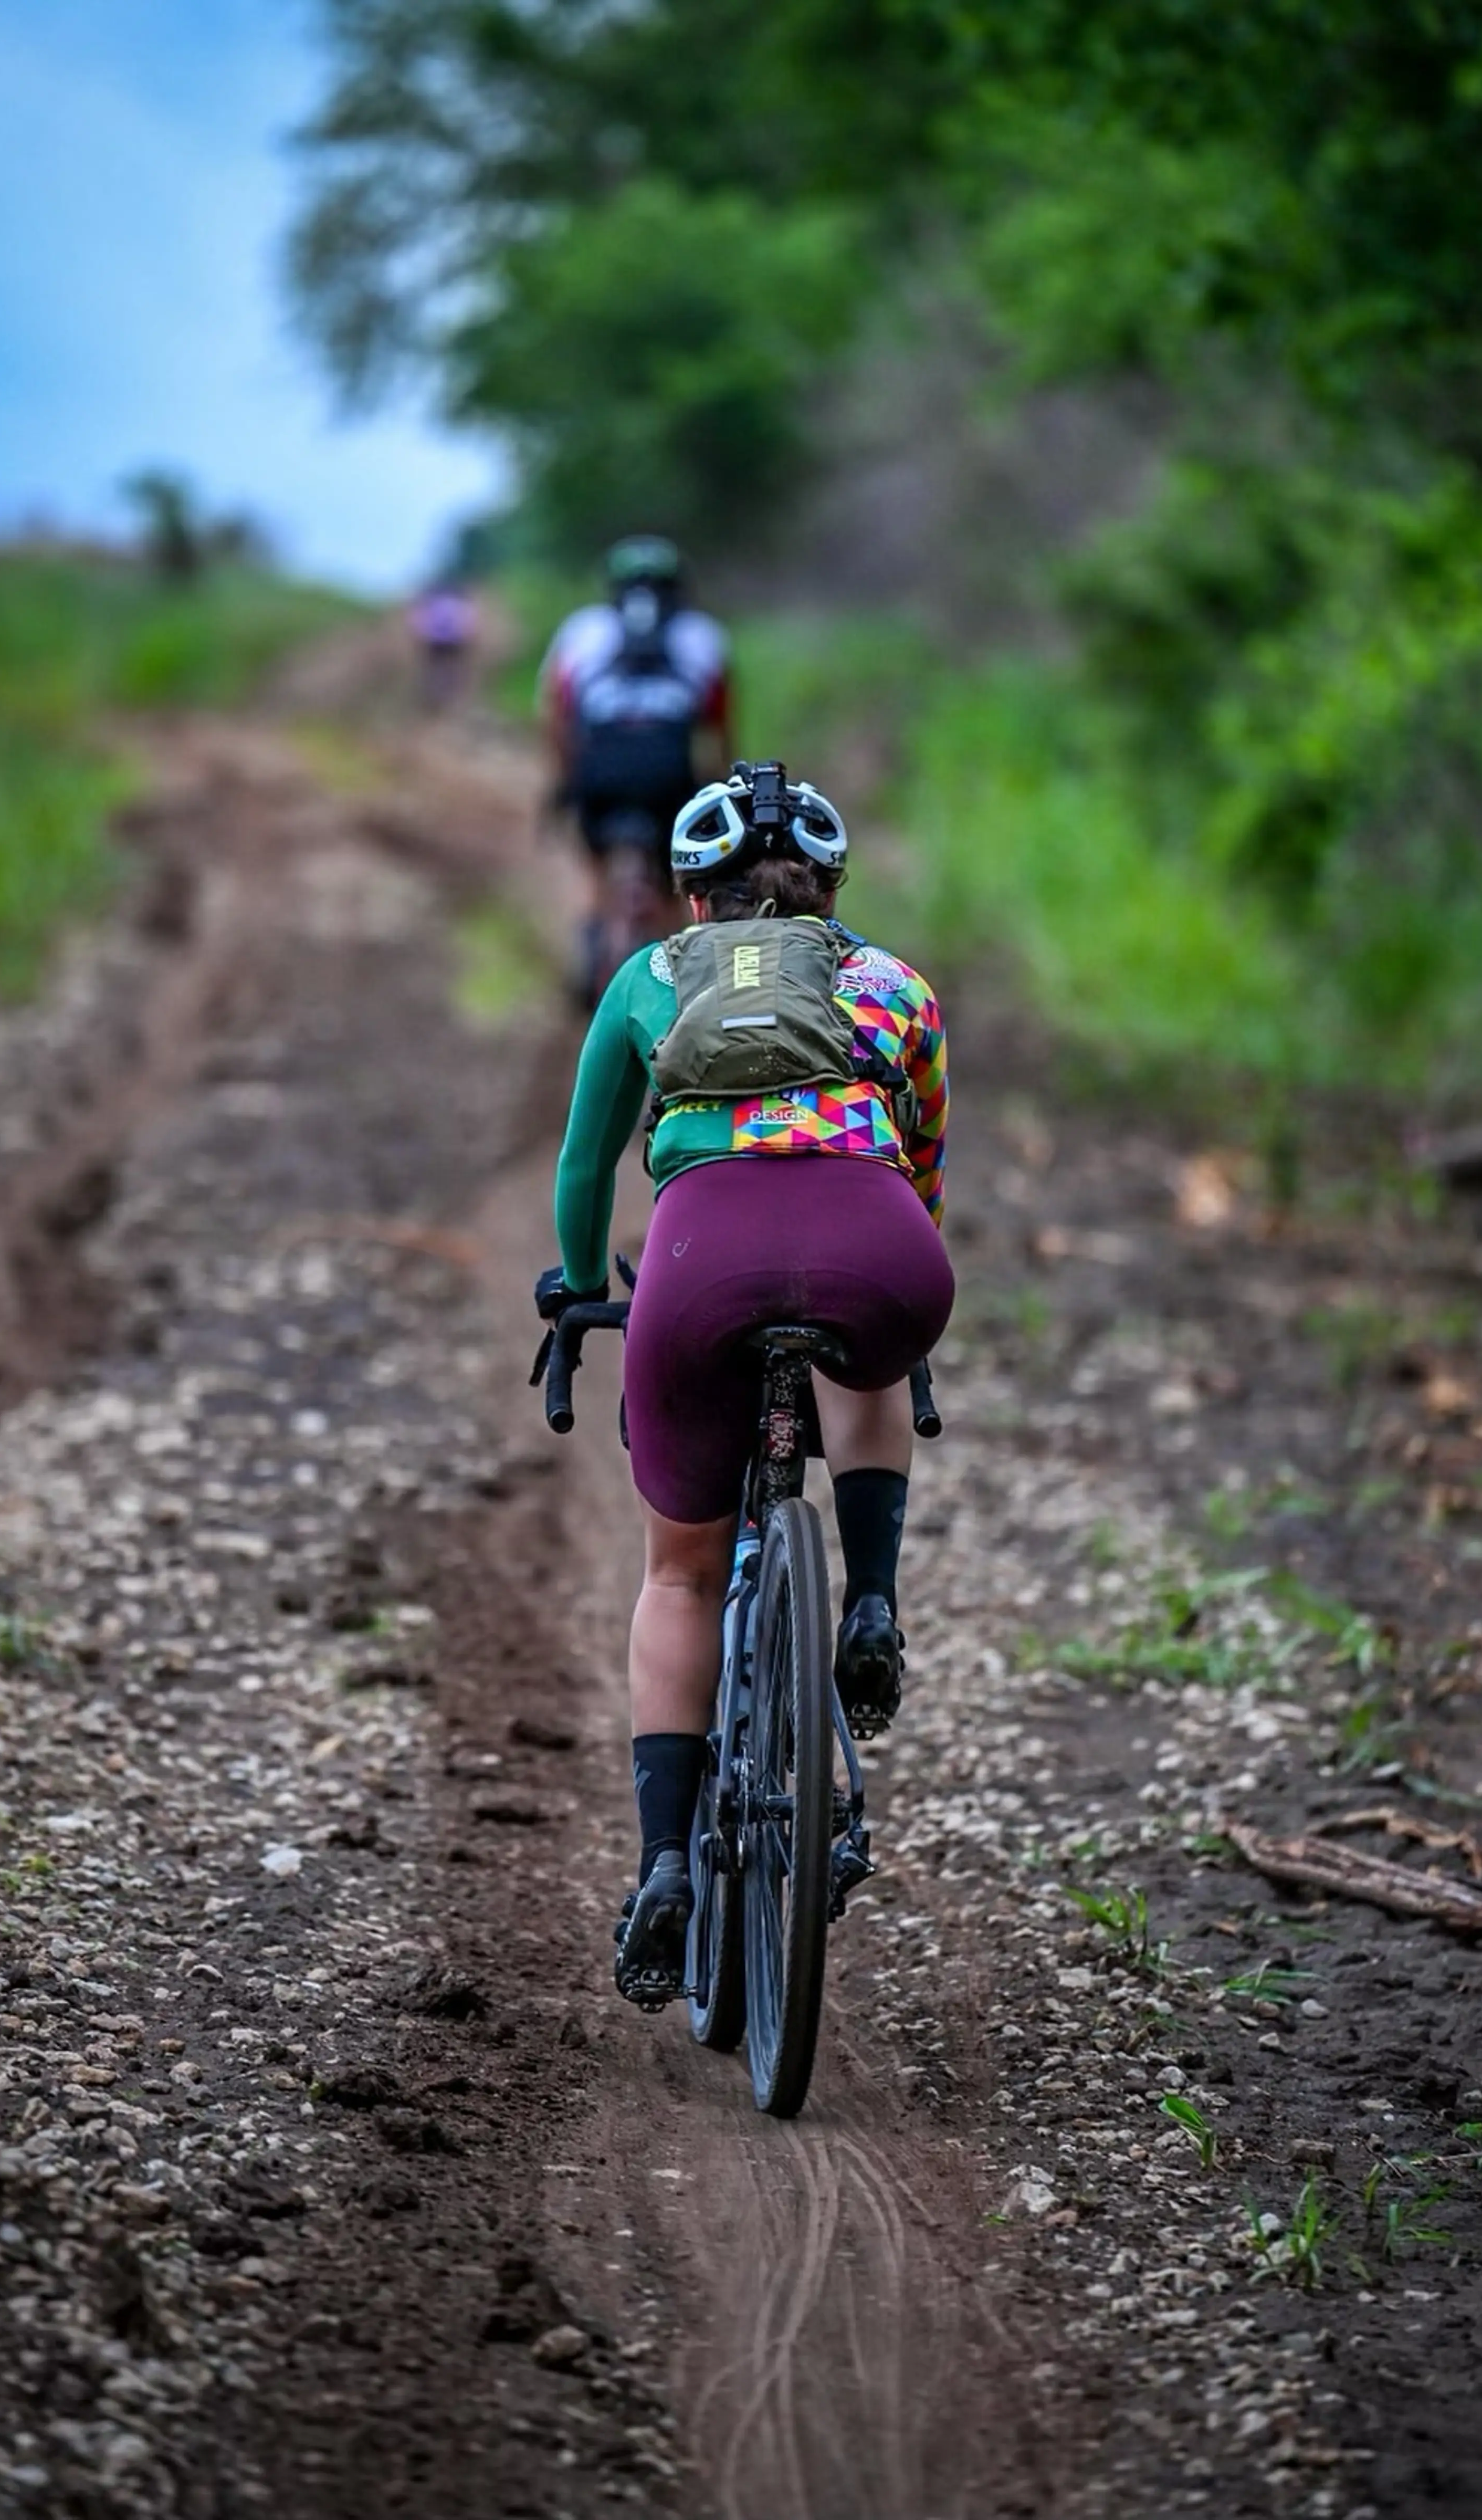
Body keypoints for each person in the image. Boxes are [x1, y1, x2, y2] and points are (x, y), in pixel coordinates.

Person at [535, 761, 953, 2005]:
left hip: (698, 1261)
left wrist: (576, 1285)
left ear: (691, 895)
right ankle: (868, 1602)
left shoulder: (647, 979)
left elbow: (580, 1170)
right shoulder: (891, 986)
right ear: (827, 888)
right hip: (880, 1248)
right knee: (872, 1359)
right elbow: (921, 1161)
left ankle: (666, 1863)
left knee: (679, 1569)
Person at [537, 537, 734, 999]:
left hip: (601, 774)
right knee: (677, 882)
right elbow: (720, 729)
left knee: (598, 866)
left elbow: (555, 717)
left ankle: (595, 938)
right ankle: (680, 975)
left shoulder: (581, 631)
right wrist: (719, 788)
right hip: (669, 777)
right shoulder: (703, 636)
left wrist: (565, 779)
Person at [407, 578, 478, 712]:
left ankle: (434, 695)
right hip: (456, 641)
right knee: (452, 668)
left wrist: (419, 639)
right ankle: (449, 695)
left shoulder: (430, 603)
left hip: (433, 641)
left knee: (434, 668)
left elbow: (417, 624)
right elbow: (469, 624)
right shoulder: (460, 604)